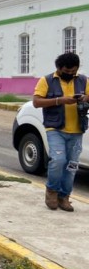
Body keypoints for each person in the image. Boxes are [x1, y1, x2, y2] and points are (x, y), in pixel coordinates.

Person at [32, 52, 88, 212]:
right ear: (59, 68)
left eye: (73, 72)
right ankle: (52, 192)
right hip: (55, 128)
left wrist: (85, 98)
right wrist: (60, 100)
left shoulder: (83, 80)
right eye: (67, 71)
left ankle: (64, 197)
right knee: (58, 161)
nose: (70, 75)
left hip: (77, 130)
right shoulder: (47, 80)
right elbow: (36, 102)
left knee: (71, 166)